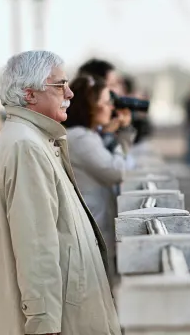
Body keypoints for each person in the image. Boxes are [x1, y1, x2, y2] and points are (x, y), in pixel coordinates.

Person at [0, 51, 121, 335]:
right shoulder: (26, 146)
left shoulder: (33, 139)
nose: (70, 93)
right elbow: (36, 246)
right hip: (63, 323)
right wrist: (44, 325)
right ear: (30, 93)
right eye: (60, 85)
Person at [63, 75, 132, 288]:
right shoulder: (80, 138)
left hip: (95, 223)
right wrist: (119, 143)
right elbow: (116, 171)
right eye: (106, 102)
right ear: (91, 107)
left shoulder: (88, 135)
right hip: (91, 227)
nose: (112, 108)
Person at [77, 58, 133, 153]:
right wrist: (108, 135)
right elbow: (117, 166)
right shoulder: (80, 136)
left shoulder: (103, 125)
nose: (118, 91)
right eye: (112, 85)